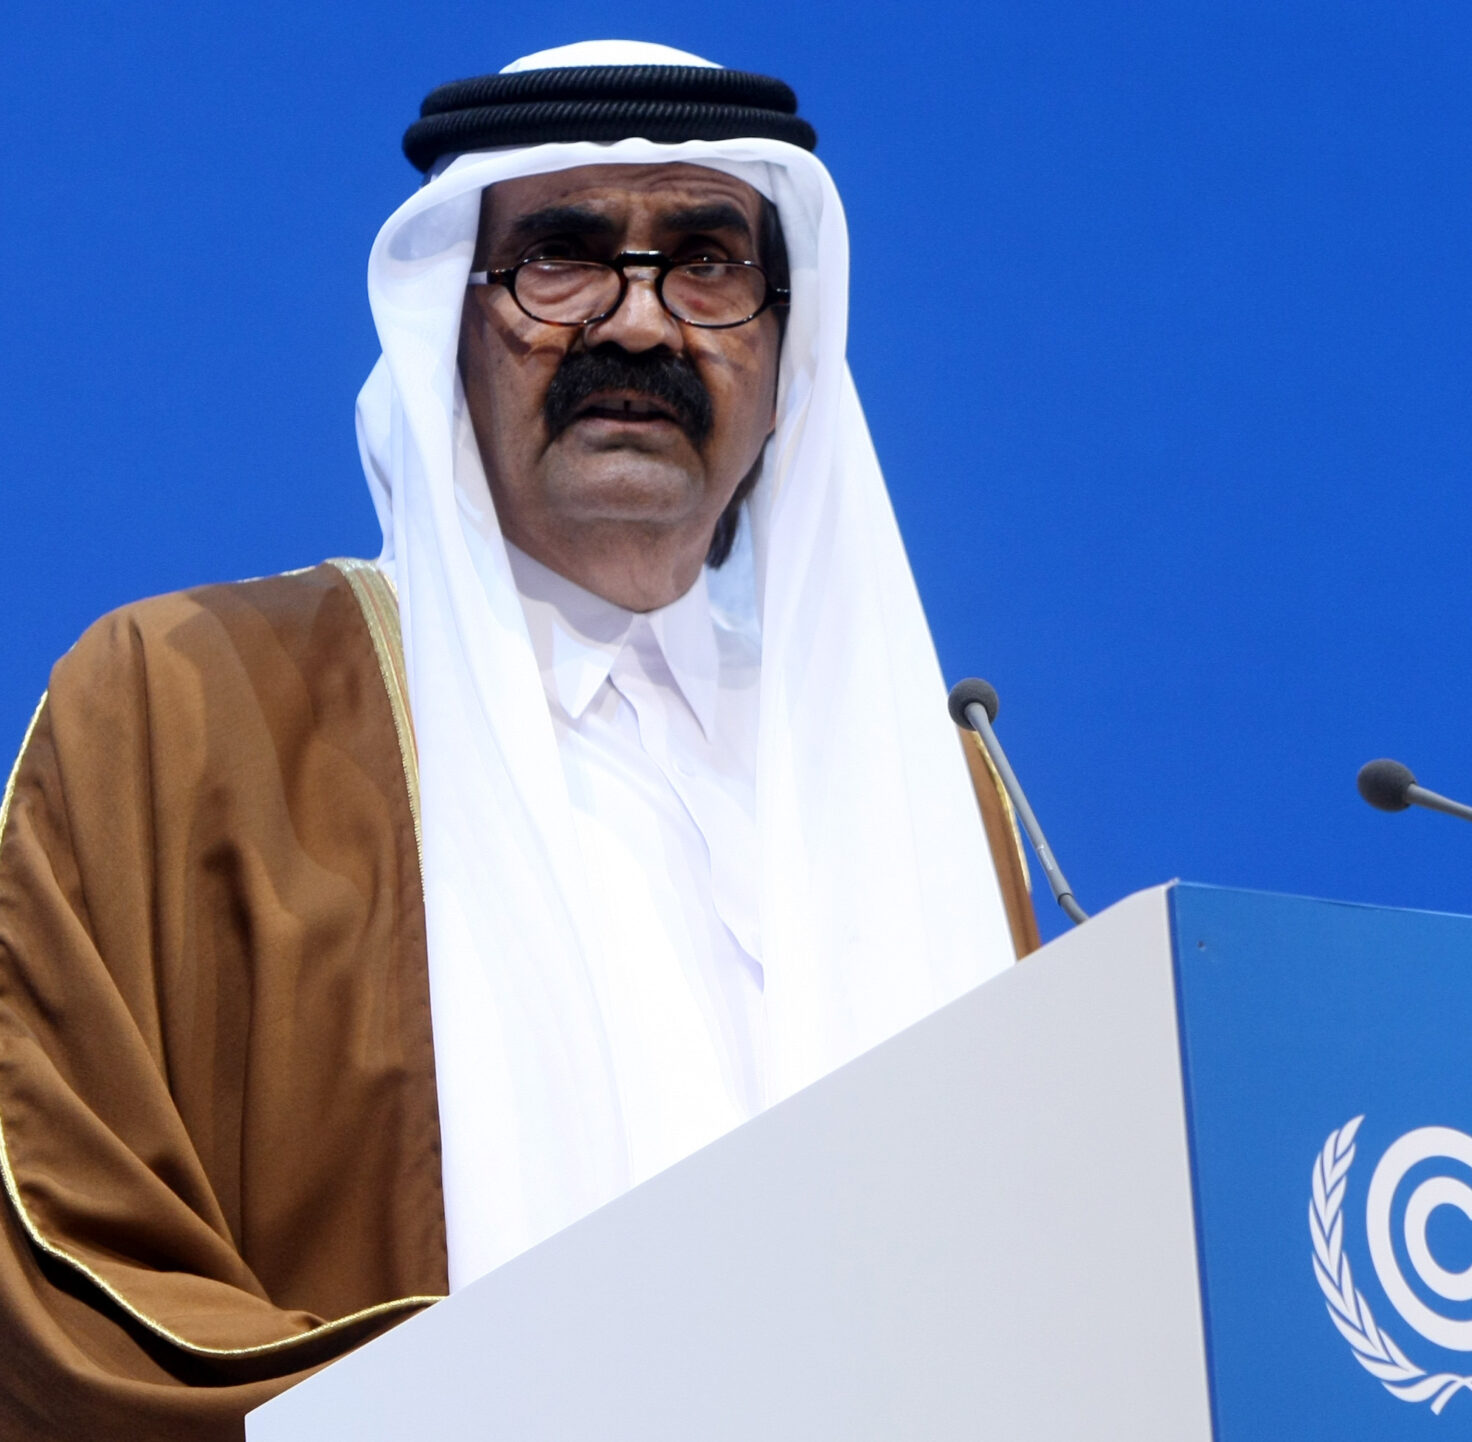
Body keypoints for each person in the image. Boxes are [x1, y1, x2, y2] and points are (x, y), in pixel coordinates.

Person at [0, 40, 1038, 1438]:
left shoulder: (925, 785)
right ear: (449, 320)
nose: (639, 325)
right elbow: (66, 1267)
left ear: (789, 346)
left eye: (708, 259)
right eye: (560, 256)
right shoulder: (184, 713)